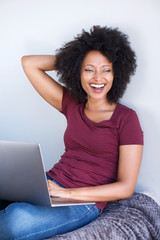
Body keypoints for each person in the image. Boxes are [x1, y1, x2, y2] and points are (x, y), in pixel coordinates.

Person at [0, 25, 143, 240]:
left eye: (106, 69)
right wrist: (74, 59)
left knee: (15, 221)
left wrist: (67, 194)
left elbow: (125, 187)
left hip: (84, 202)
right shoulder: (72, 104)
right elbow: (29, 63)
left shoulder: (126, 118)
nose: (97, 77)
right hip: (49, 184)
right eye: (89, 69)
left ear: (117, 73)